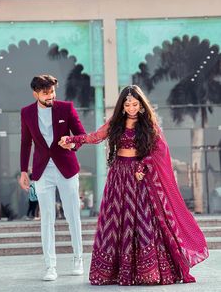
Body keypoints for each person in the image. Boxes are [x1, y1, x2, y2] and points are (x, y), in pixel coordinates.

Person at [59, 85, 209, 286]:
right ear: (122, 106)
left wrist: (143, 164)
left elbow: (160, 151)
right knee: (116, 222)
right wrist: (72, 139)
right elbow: (96, 136)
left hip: (140, 178)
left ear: (141, 105)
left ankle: (148, 271)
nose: (131, 107)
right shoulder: (116, 123)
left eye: (135, 104)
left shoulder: (149, 125)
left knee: (143, 221)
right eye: (127, 104)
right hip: (118, 176)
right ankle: (115, 271)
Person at [19, 74, 85, 281]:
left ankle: (78, 258)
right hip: (42, 170)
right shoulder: (27, 112)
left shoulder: (66, 108)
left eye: (53, 92)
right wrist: (23, 171)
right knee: (47, 217)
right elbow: (25, 143)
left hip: (66, 167)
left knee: (72, 214)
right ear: (36, 93)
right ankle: (50, 266)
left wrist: (72, 143)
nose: (51, 96)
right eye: (46, 92)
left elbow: (81, 135)